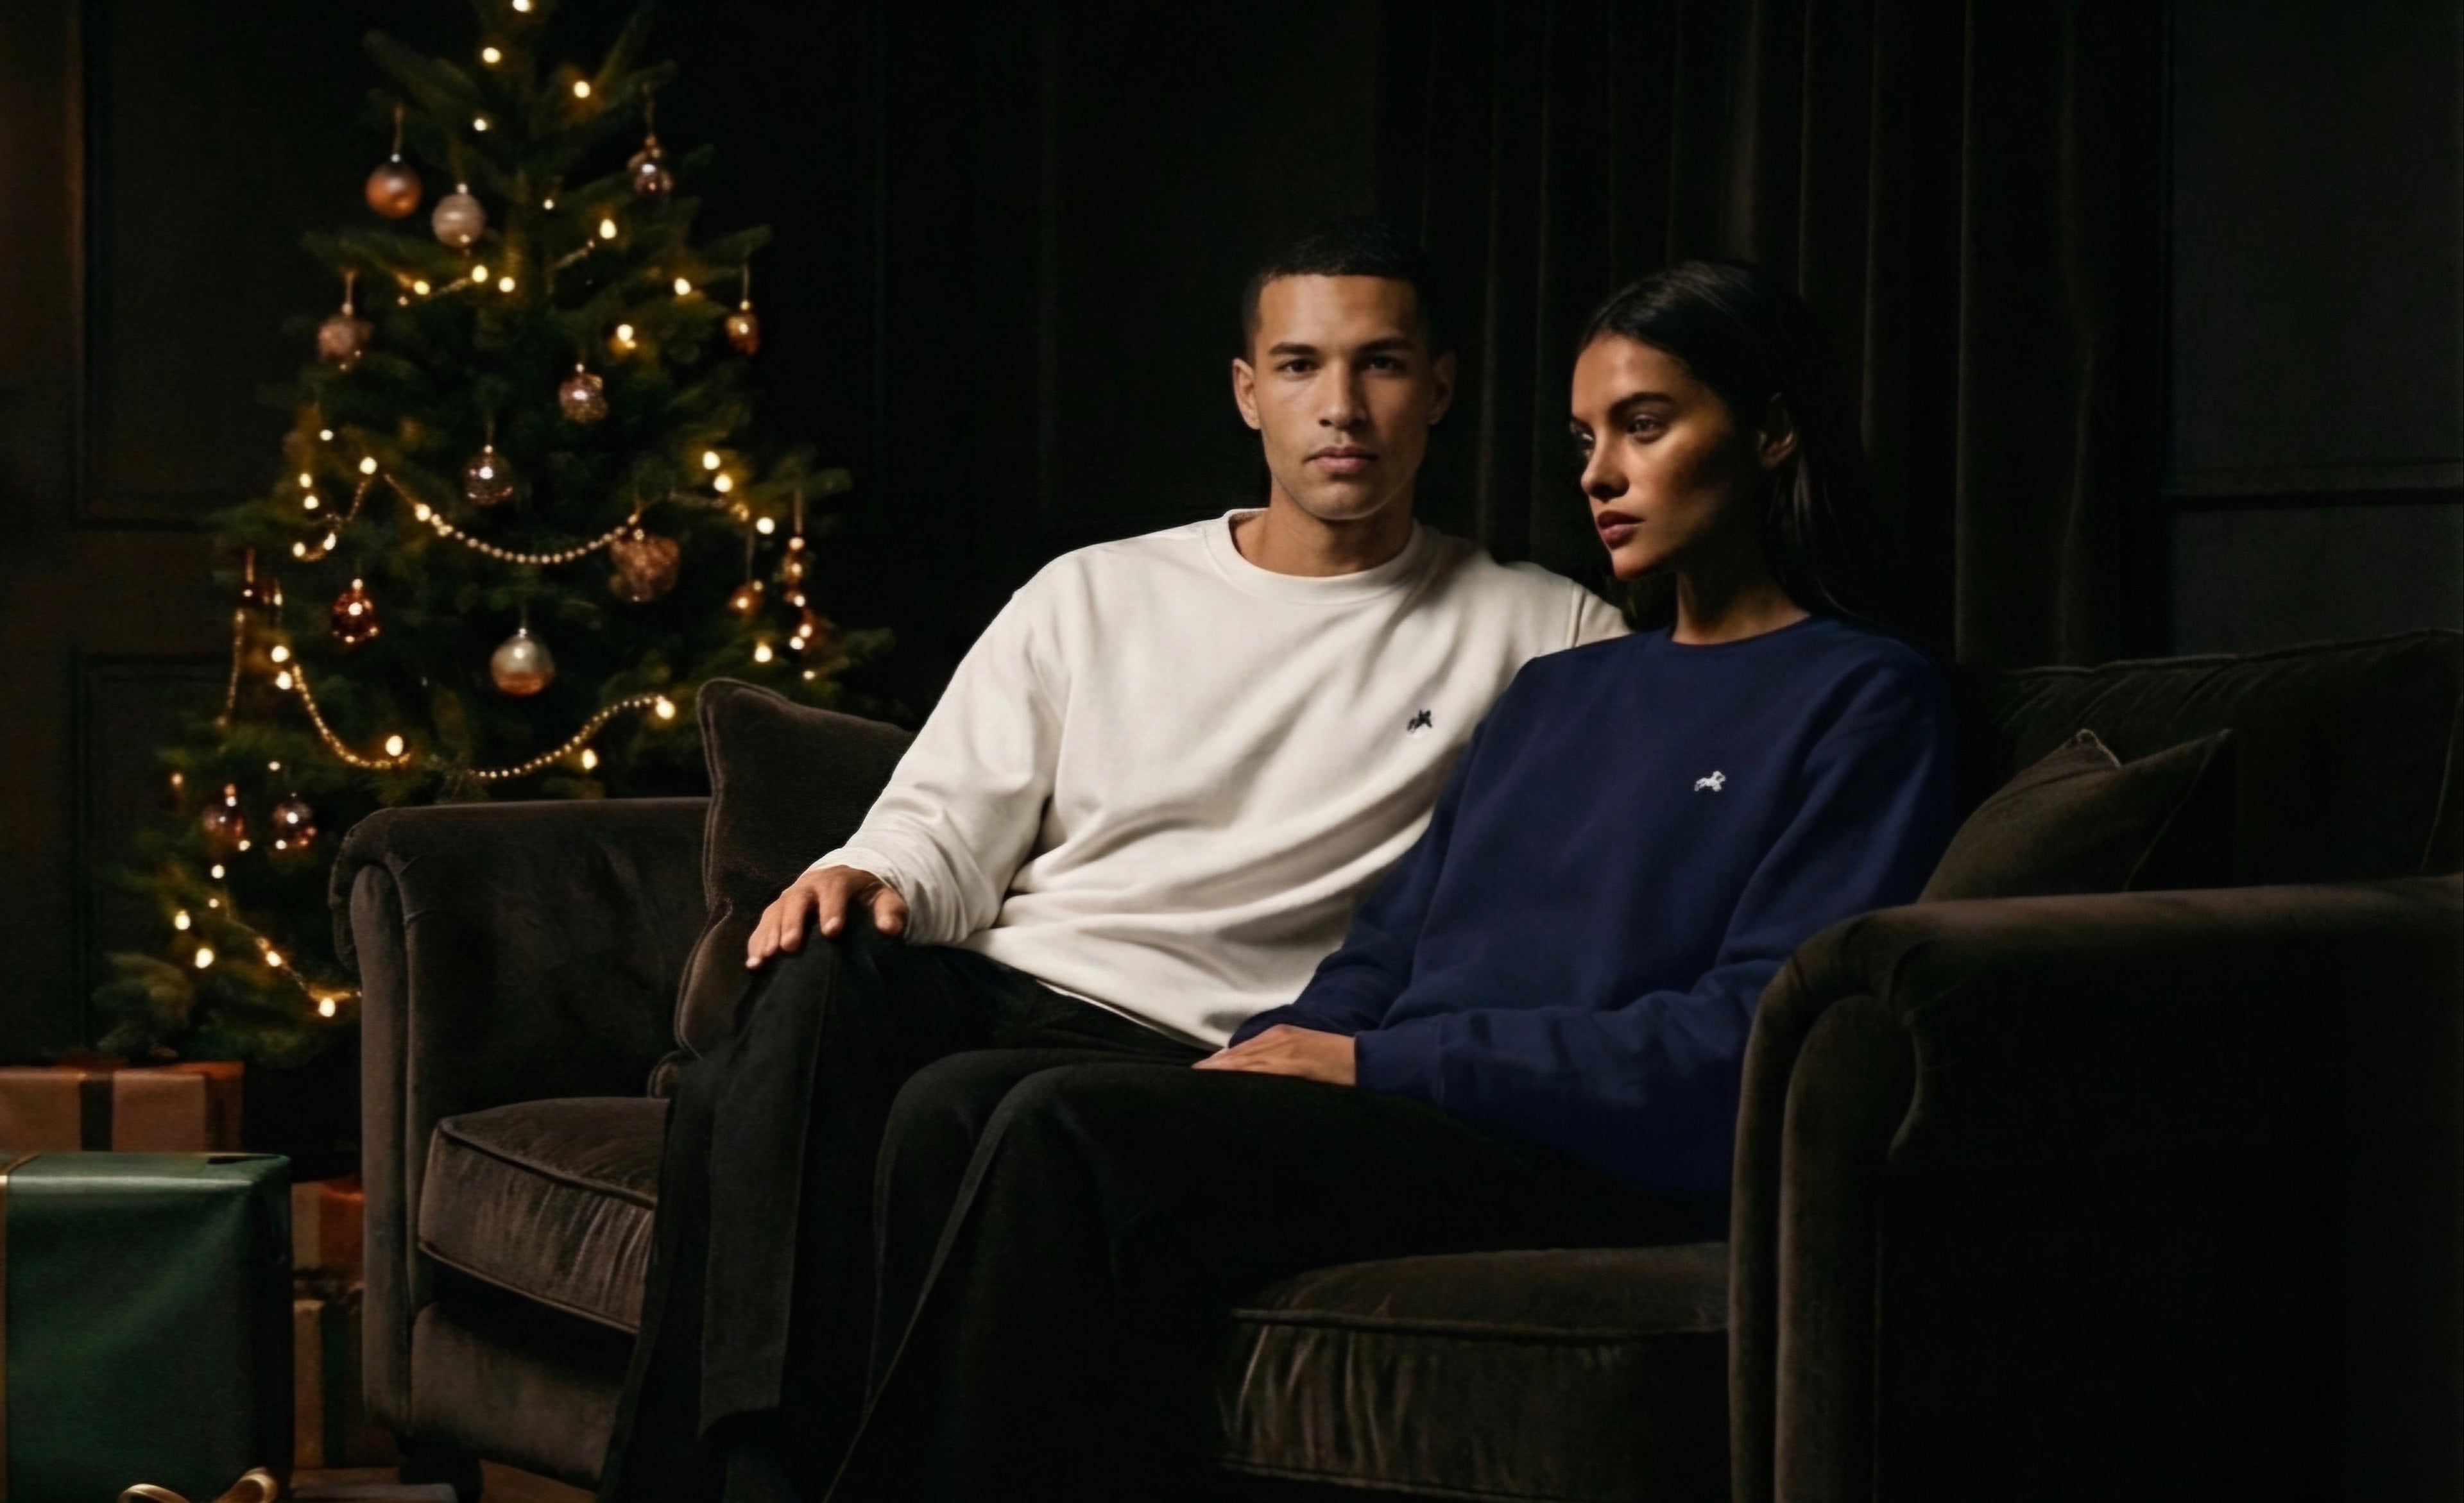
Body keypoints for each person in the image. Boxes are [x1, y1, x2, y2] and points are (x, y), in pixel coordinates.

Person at [816, 260, 1966, 1500]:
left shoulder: (1866, 699)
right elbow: (1385, 950)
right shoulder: (1561, 689)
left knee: (1061, 1129)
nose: (1598, 474)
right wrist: (1268, 1056)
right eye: (1585, 437)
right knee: (955, 1105)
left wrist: (1371, 1065)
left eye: (1645, 425)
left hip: (1561, 1145)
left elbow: (1744, 1045)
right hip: (1397, 1106)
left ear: (1773, 430)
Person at [594, 219, 1627, 1502]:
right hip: (1006, 986)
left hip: (1204, 1053)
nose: (1342, 407)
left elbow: (1569, 884)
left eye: (1383, 364)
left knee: (736, 1101)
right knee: (807, 995)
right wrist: (878, 873)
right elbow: (943, 815)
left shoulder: (1552, 630)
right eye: (1301, 365)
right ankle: (757, 1464)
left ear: (1443, 388)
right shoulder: (1095, 593)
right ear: (1248, 391)